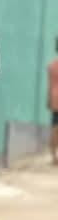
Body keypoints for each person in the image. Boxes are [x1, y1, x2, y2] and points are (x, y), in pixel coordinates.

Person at [50, 37, 58, 165]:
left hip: (54, 99)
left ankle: (53, 154)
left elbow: (50, 86)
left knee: (54, 127)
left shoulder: (51, 66)